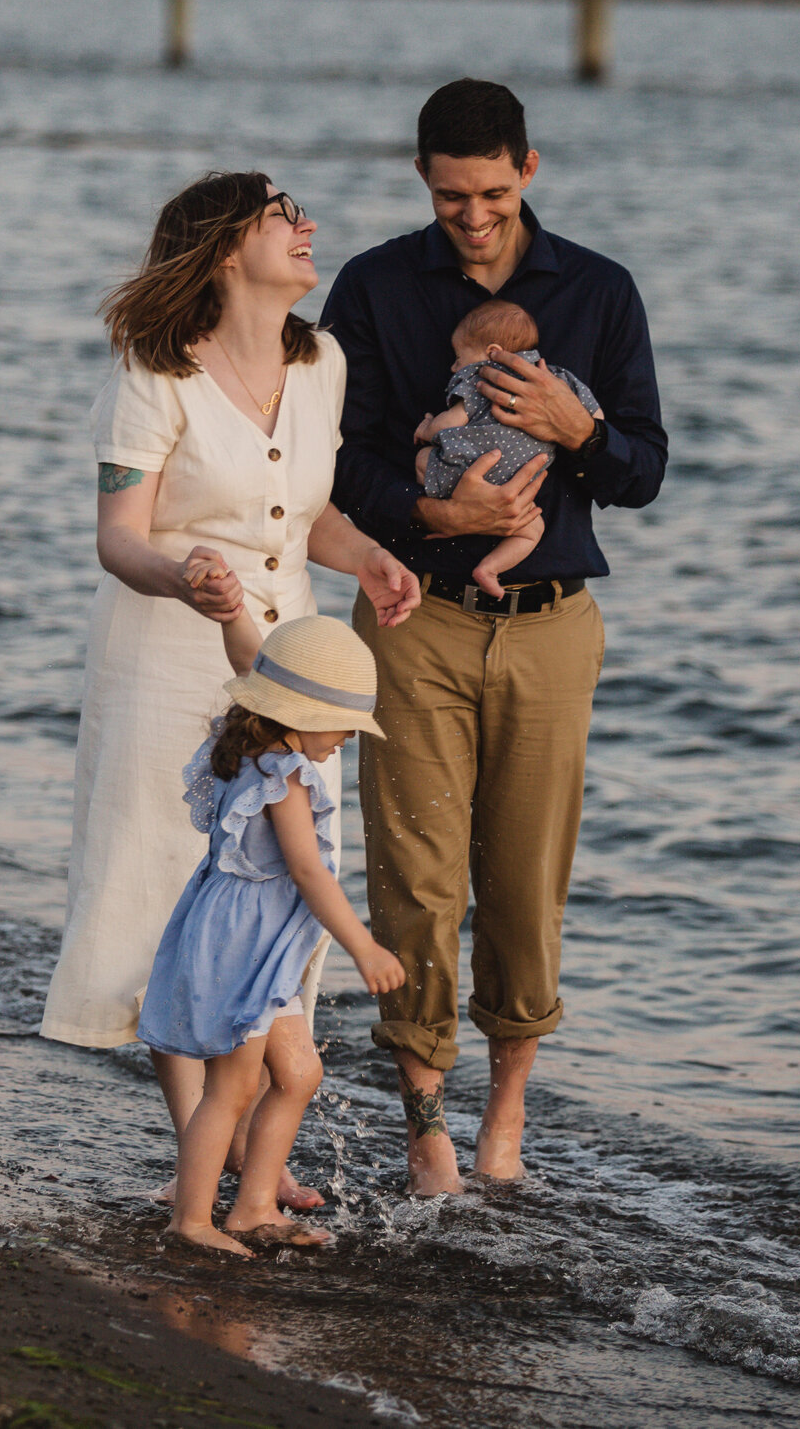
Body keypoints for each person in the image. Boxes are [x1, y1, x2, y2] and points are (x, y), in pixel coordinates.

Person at [42, 171, 421, 1211]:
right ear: (223, 250)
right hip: (165, 654)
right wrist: (184, 575)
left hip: (288, 663)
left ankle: (255, 1135)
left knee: (285, 875)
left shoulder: (321, 362)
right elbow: (118, 537)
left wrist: (370, 556)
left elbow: (304, 516)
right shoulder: (154, 370)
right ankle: (206, 1145)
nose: (307, 226)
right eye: (280, 215)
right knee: (165, 882)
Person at [323, 79, 667, 1195]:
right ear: (421, 179)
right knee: (414, 883)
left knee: (524, 884)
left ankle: (505, 1114)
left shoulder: (601, 292)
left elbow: (645, 471)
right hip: (410, 620)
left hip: (552, 628)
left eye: (490, 193)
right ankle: (426, 1122)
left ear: (529, 168)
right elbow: (334, 456)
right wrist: (435, 514)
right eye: (447, 197)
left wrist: (581, 431)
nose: (470, 217)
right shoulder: (374, 286)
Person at [140, 614, 408, 1256]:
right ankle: (193, 1219)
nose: (347, 739)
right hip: (242, 949)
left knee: (299, 1072)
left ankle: (255, 1207)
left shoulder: (249, 750)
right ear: (300, 715)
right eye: (342, 725)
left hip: (259, 946)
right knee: (230, 1089)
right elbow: (309, 872)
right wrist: (363, 946)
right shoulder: (282, 776)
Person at [410, 298, 603, 600]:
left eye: (458, 357)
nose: (454, 366)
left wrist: (426, 428)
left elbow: (450, 423)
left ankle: (456, 510)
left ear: (492, 352)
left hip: (466, 472)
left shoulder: (477, 377)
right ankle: (489, 569)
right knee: (532, 530)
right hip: (517, 486)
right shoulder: (559, 379)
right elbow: (596, 421)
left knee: (423, 459)